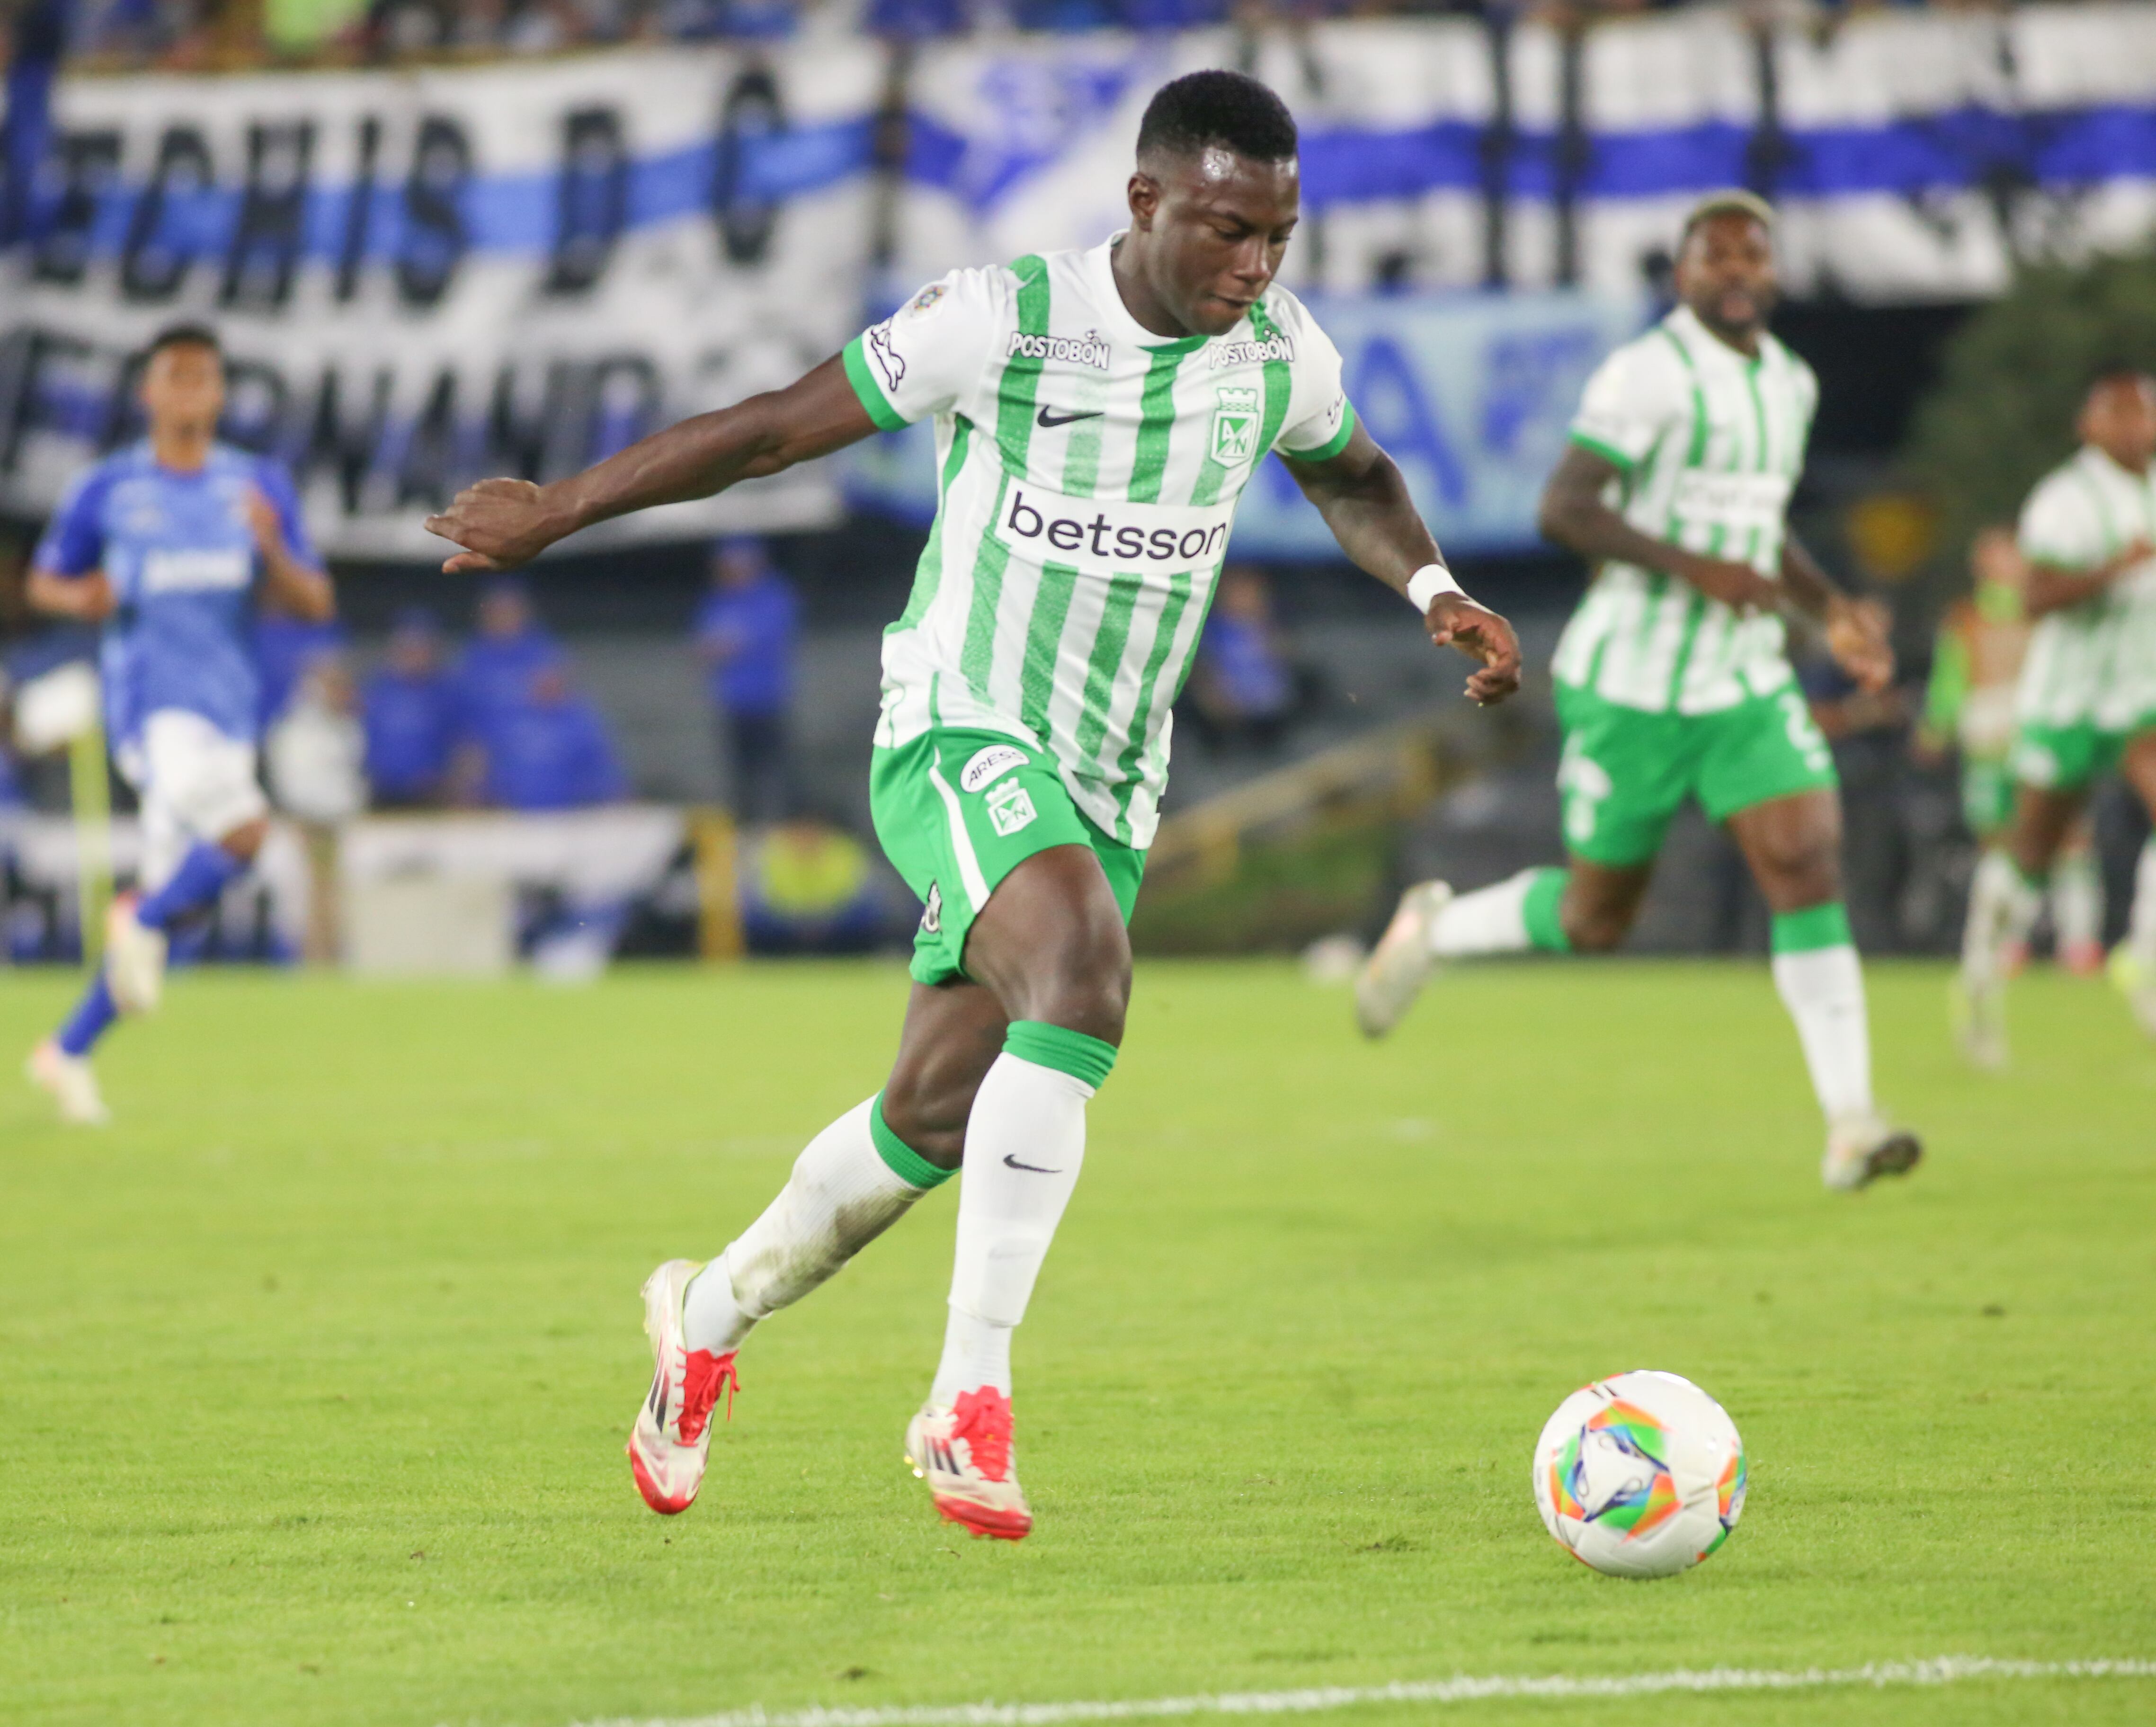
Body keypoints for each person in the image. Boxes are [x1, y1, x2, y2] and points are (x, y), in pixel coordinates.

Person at [425, 70, 1519, 1541]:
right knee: (1085, 976)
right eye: (1226, 228)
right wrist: (562, 508)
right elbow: (771, 430)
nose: (1255, 264)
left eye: (1279, 235)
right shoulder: (1003, 319)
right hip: (957, 720)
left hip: (1110, 776)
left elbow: (1360, 476)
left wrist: (1437, 588)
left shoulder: (1275, 354)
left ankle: (707, 1320)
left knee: (932, 1116)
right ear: (1145, 203)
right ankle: (965, 1399)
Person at [1356, 189, 1921, 1194]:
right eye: (1717, 258)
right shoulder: (1648, 374)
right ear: (1684, 275)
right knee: (1595, 918)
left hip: (1742, 683)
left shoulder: (1788, 381)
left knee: (1805, 861)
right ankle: (1437, 930)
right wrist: (1698, 567)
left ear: (1776, 273)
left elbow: (1759, 527)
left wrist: (1828, 607)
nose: (1737, 272)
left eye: (1754, 256)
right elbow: (1565, 507)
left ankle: (1850, 1123)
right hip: (1633, 688)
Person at [23, 322, 334, 1125]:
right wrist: (80, 596)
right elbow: (44, 583)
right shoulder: (109, 488)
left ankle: (65, 1051)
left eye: (206, 378)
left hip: (230, 709)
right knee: (245, 831)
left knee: (178, 926)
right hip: (150, 708)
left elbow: (316, 603)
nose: (192, 391)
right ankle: (139, 914)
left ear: (221, 393)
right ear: (150, 393)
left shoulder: (255, 486)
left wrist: (272, 546)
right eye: (177, 376)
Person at [1955, 366, 2156, 1064]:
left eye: (2145, 413)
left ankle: (2144, 961)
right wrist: (2114, 567)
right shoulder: (2064, 499)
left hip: (2140, 692)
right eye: (2121, 415)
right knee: (2033, 854)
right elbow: (2033, 598)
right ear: (2089, 427)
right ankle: (1979, 983)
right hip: (2067, 700)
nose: (2137, 427)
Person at [1918, 528, 2103, 974]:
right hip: (1989, 733)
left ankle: (2078, 942)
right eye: (1994, 557)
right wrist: (1937, 723)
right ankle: (2007, 942)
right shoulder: (1966, 618)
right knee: (2000, 839)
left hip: (2044, 726)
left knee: (2069, 837)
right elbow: (1951, 675)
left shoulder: (2049, 610)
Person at [694, 536, 798, 823]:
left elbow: (761, 637)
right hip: (732, 702)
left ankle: (785, 825)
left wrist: (727, 645)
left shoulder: (773, 596)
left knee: (777, 771)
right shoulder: (717, 601)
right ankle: (747, 826)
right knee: (740, 774)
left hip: (767, 699)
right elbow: (704, 646)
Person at [472, 659, 627, 811]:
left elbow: (602, 770)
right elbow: (483, 762)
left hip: (568, 815)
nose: (548, 685)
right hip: (513, 815)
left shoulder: (580, 723)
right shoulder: (509, 721)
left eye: (553, 680)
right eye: (542, 679)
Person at [1186, 563, 1297, 751]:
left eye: (1252, 590)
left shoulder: (1269, 627)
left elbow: (1289, 660)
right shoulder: (1212, 631)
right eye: (1236, 590)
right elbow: (1201, 673)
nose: (1245, 597)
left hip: (1276, 719)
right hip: (1229, 722)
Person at [362, 607, 461, 807]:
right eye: (408, 649)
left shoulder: (447, 694)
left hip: (431, 794)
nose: (415, 656)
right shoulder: (376, 690)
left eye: (422, 649)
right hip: (381, 793)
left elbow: (462, 745)